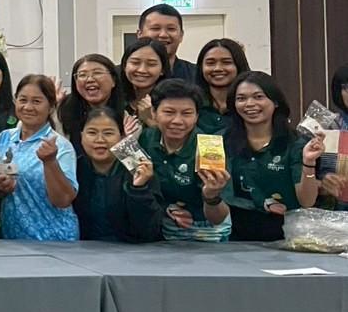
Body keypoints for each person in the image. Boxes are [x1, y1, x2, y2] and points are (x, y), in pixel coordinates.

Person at [225, 71, 322, 242]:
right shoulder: (222, 141)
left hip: (289, 236)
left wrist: (308, 162)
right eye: (241, 98)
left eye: (258, 97)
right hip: (237, 238)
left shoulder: (296, 143)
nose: (249, 104)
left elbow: (307, 201)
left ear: (275, 102)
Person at [137, 79, 232, 242]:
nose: (177, 121)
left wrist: (211, 196)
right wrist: (166, 209)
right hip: (162, 226)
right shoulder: (146, 137)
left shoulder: (209, 147)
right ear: (153, 112)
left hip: (206, 229)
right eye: (169, 112)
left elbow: (218, 218)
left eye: (187, 113)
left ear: (196, 116)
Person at [0, 75, 79, 242]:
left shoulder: (60, 146)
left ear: (51, 107)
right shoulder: (4, 139)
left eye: (37, 101)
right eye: (22, 100)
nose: (28, 107)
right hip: (13, 238)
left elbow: (63, 200)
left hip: (55, 238)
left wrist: (50, 161)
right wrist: (2, 185)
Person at [73, 105, 164, 242]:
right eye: (92, 133)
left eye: (108, 133)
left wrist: (139, 189)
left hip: (133, 248)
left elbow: (150, 229)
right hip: (83, 248)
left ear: (122, 137)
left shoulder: (137, 165)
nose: (100, 140)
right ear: (81, 136)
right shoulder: (75, 166)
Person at [58, 55, 128, 148]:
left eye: (97, 73)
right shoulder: (62, 112)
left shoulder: (127, 117)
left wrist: (124, 143)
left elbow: (136, 157)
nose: (90, 79)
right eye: (82, 75)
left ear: (113, 80)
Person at [194, 39, 250, 136]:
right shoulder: (193, 105)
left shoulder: (250, 105)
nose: (218, 68)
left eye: (226, 62)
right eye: (210, 63)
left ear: (239, 65)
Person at [120, 37, 170, 129]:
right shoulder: (114, 98)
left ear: (162, 69)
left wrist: (150, 121)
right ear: (124, 66)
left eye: (151, 64)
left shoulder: (172, 101)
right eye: (135, 62)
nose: (142, 70)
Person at [139, 4, 195, 81]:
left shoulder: (196, 74)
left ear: (181, 35)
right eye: (155, 28)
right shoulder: (126, 75)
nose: (163, 35)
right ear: (140, 34)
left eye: (171, 29)